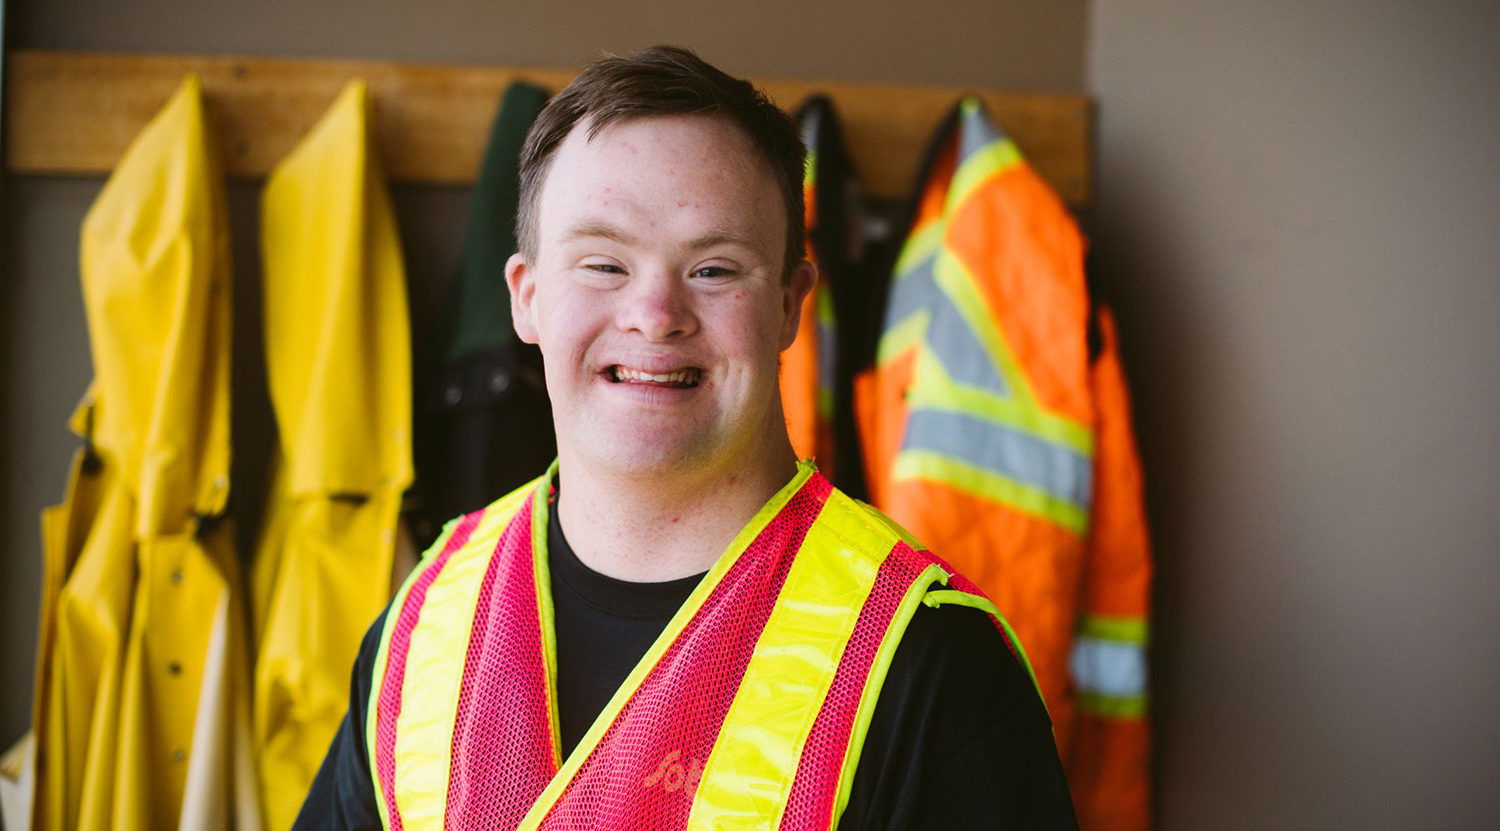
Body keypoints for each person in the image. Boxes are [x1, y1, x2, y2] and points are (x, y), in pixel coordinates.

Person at [293, 45, 1078, 830]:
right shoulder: (426, 624)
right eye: (603, 264)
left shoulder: (928, 661)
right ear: (526, 299)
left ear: (787, 305)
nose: (656, 313)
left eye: (713, 269)